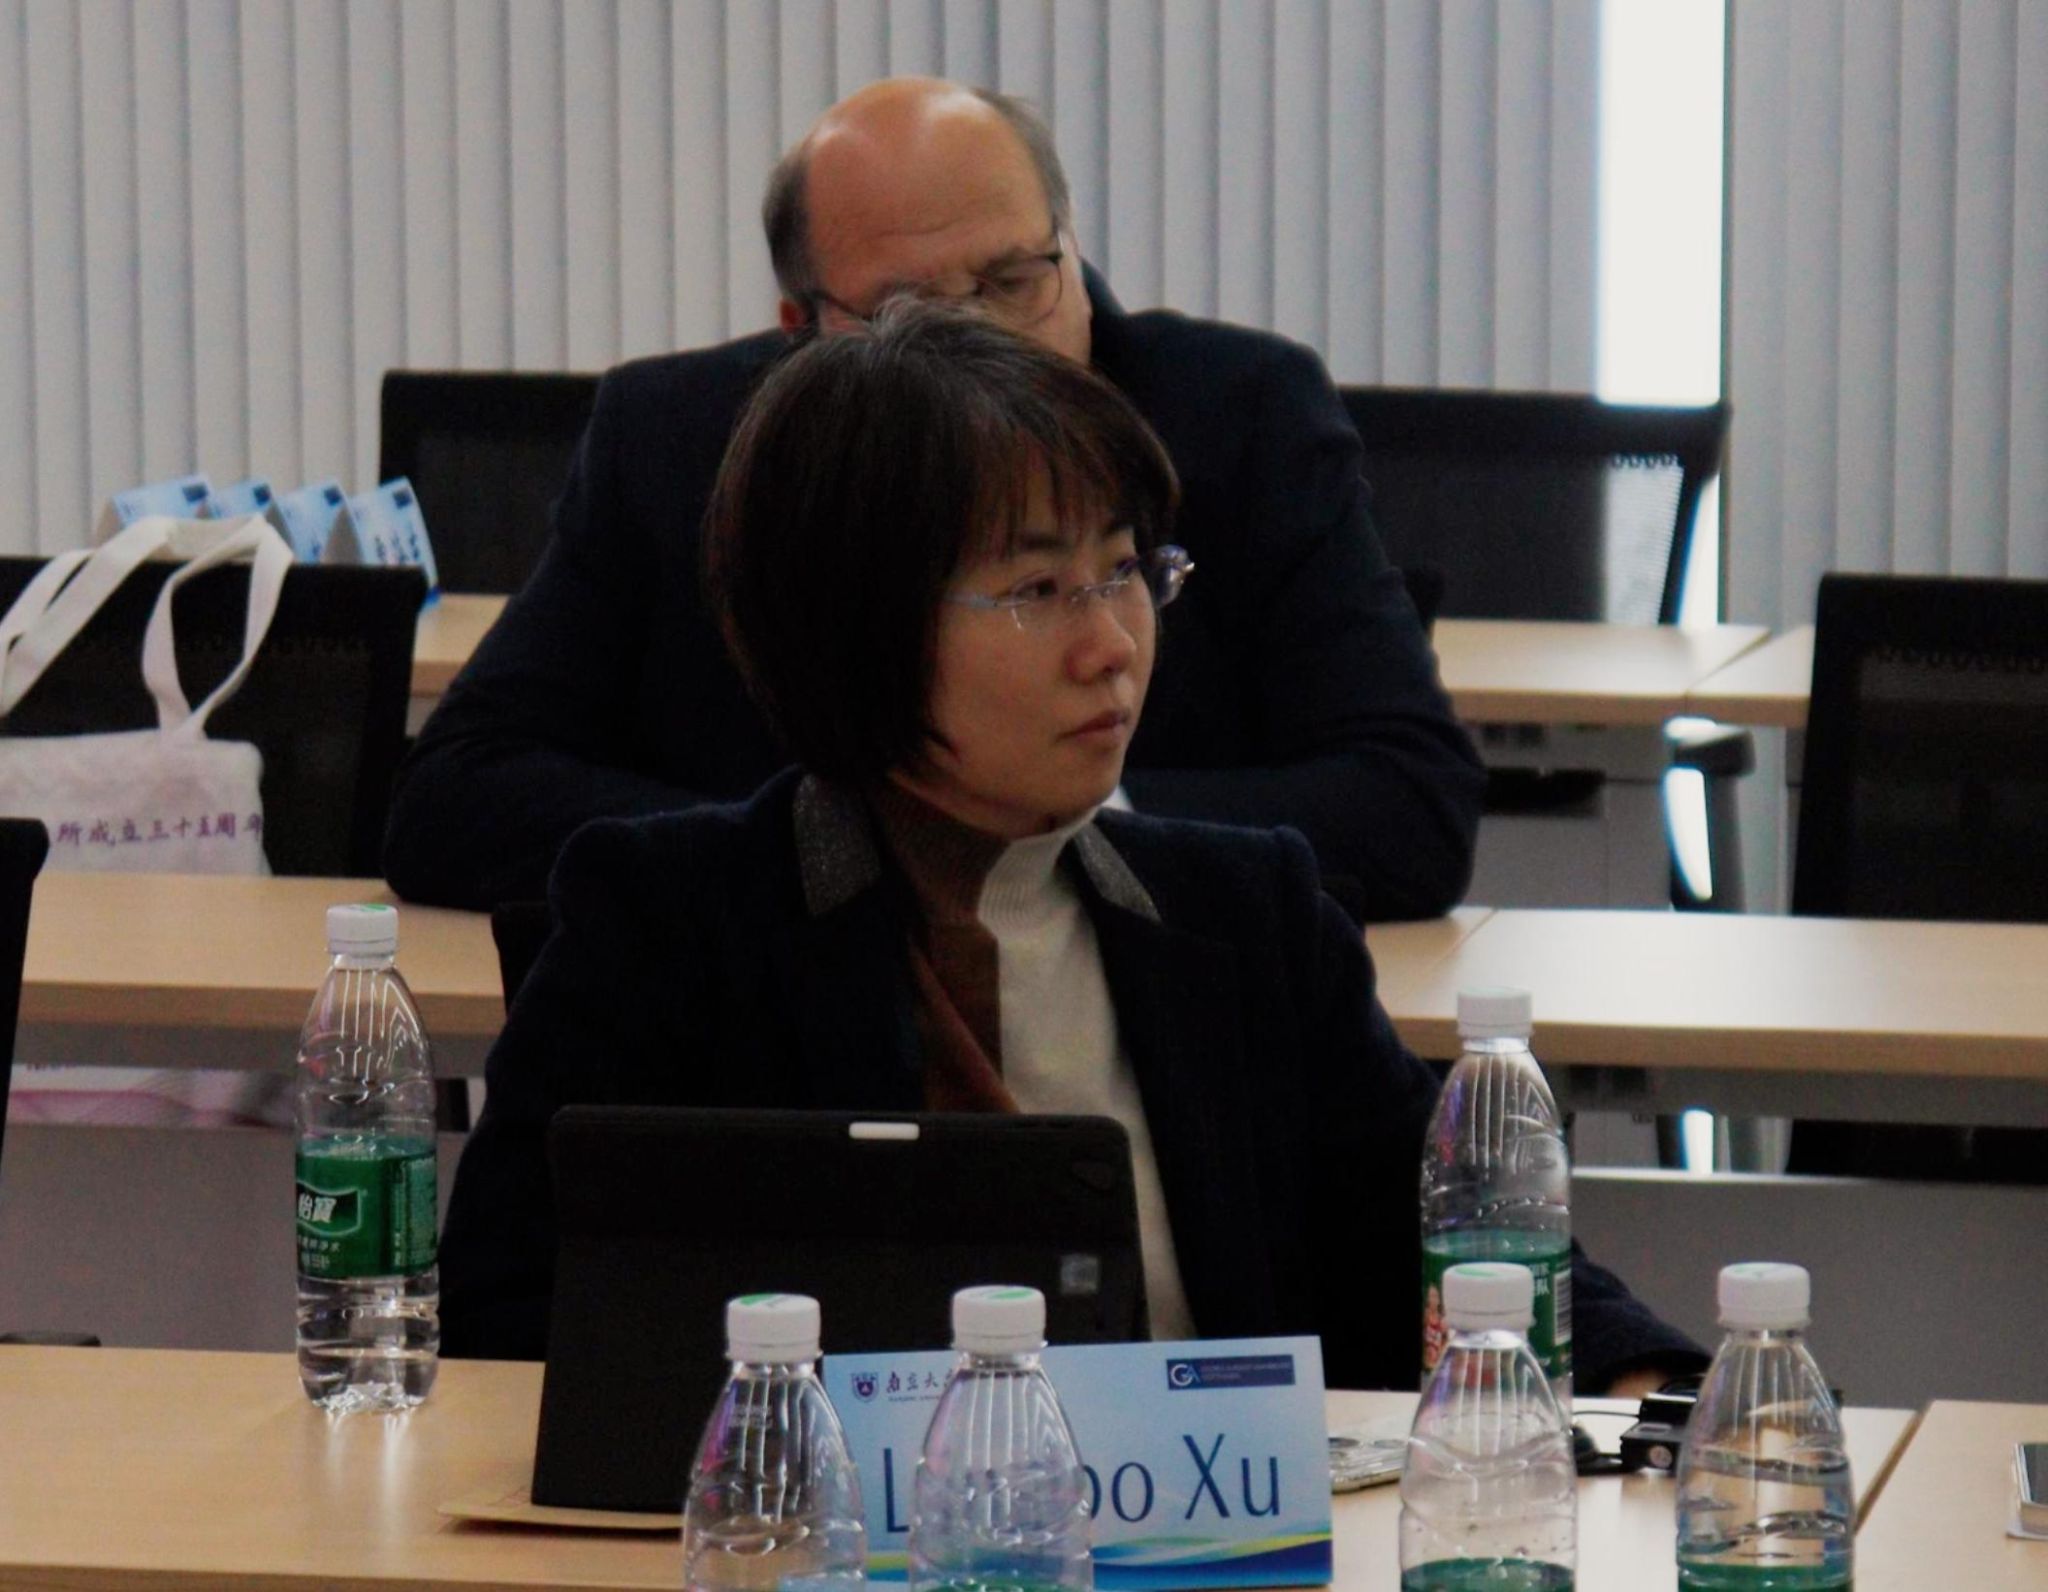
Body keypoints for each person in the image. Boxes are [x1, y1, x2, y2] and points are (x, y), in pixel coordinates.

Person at [437, 302, 1698, 1396]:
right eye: (1037, 591)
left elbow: (1463, 1252)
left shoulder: (1245, 914)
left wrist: (1650, 1389)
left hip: (1231, 1553)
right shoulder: (668, 928)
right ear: (855, 626)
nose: (1112, 644)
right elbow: (501, 1345)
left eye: (1125, 569)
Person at [383, 77, 1484, 924]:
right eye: (912, 310)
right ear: (803, 331)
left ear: (1071, 252)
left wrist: (1051, 837)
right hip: (778, 1033)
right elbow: (455, 797)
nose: (985, 340)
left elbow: (1407, 805)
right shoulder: (674, 440)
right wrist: (827, 850)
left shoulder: (1240, 415)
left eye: (1014, 282)